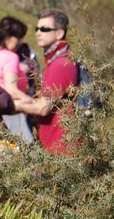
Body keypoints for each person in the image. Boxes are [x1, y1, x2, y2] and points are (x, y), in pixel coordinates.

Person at [0, 16, 50, 142]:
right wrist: (34, 102)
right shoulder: (11, 57)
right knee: (25, 151)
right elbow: (11, 90)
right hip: (12, 113)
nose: (20, 43)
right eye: (19, 38)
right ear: (8, 36)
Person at [32, 8, 79, 153]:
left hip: (60, 146)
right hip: (58, 143)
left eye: (45, 29)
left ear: (59, 33)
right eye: (37, 28)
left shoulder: (60, 64)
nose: (38, 32)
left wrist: (13, 104)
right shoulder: (59, 59)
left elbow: (43, 107)